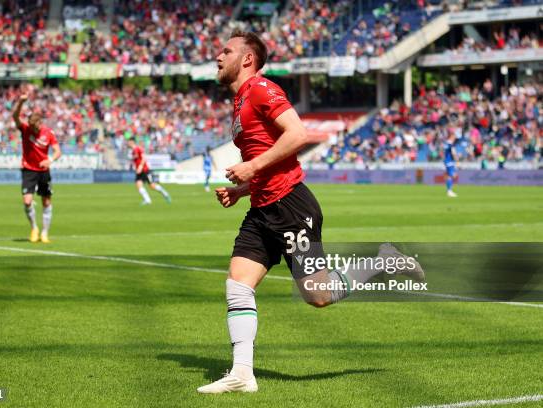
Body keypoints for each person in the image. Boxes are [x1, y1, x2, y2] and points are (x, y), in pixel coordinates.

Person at [197, 30, 424, 395]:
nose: (217, 56)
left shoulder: (261, 89)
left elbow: (298, 134)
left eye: (226, 51)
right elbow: (269, 152)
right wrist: (243, 190)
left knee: (317, 296)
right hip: (261, 208)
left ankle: (385, 261)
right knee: (237, 284)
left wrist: (251, 170)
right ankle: (242, 374)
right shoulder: (239, 100)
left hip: (289, 205)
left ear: (247, 59)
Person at [12, 93, 62, 243]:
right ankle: (34, 228)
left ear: (40, 124)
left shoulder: (49, 133)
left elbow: (58, 151)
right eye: (31, 127)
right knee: (27, 201)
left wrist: (50, 159)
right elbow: (15, 117)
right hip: (28, 169)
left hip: (43, 171)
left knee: (46, 202)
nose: (33, 130)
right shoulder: (26, 129)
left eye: (35, 127)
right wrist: (20, 101)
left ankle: (45, 232)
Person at [127, 139, 171, 205]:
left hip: (145, 170)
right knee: (138, 184)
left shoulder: (138, 149)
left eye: (128, 142)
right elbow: (136, 159)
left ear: (132, 142)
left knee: (152, 186)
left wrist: (140, 166)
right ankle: (147, 200)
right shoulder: (133, 151)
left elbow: (144, 158)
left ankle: (165, 193)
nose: (127, 144)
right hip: (139, 171)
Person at [443, 132, 458, 197]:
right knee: (452, 175)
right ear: (451, 136)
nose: (455, 138)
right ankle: (449, 191)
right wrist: (456, 160)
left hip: (447, 161)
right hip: (449, 162)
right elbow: (453, 153)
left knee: (448, 175)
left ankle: (449, 190)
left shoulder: (446, 143)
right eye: (454, 137)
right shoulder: (450, 144)